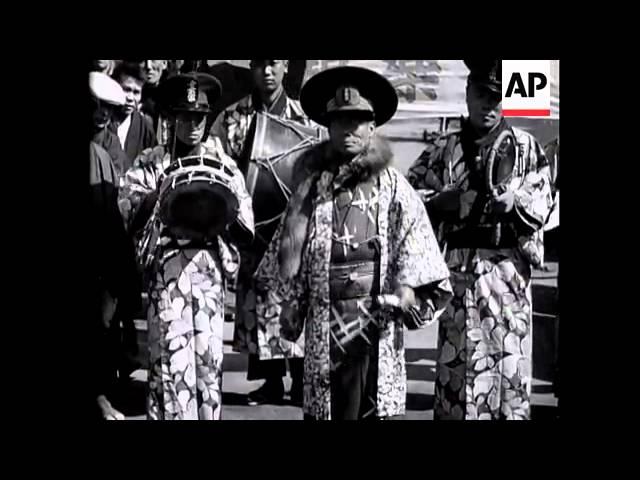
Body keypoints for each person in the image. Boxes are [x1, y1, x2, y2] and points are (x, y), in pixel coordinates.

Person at [254, 66, 453, 420]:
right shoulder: (309, 190)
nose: (349, 128)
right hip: (323, 327)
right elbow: (287, 264)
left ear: (372, 125)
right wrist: (289, 312)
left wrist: (406, 293)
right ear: (328, 125)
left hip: (377, 323)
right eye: (340, 119)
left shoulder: (393, 187)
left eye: (357, 119)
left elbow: (417, 247)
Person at [407, 60, 554, 420]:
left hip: (507, 278)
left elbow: (544, 197)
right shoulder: (444, 147)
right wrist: (440, 201)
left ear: (506, 100)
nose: (488, 105)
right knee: (458, 370)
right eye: (481, 95)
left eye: (496, 97)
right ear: (468, 95)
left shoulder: (525, 146)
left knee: (508, 373)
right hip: (457, 277)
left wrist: (515, 202)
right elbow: (406, 195)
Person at [121, 72, 254, 420]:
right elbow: (127, 211)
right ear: (171, 118)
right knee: (168, 369)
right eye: (185, 116)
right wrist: (160, 193)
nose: (193, 125)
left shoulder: (223, 164)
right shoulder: (151, 161)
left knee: (208, 374)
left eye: (199, 117)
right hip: (167, 277)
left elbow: (245, 226)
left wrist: (218, 205)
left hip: (208, 276)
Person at [211, 59, 313, 406]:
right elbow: (216, 162)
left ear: (285, 67)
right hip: (252, 223)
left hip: (292, 225)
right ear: (251, 69)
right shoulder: (230, 117)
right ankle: (269, 380)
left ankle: (300, 379)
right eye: (259, 64)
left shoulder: (305, 117)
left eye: (274, 63)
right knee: (257, 300)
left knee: (296, 300)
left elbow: (317, 165)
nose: (267, 72)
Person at [89, 72, 141, 420]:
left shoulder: (104, 157)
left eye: (109, 111)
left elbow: (113, 226)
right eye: (95, 108)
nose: (101, 116)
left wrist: (117, 283)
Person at [110, 62, 157, 170]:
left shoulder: (144, 127)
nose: (130, 98)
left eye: (136, 92)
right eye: (126, 89)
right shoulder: (103, 121)